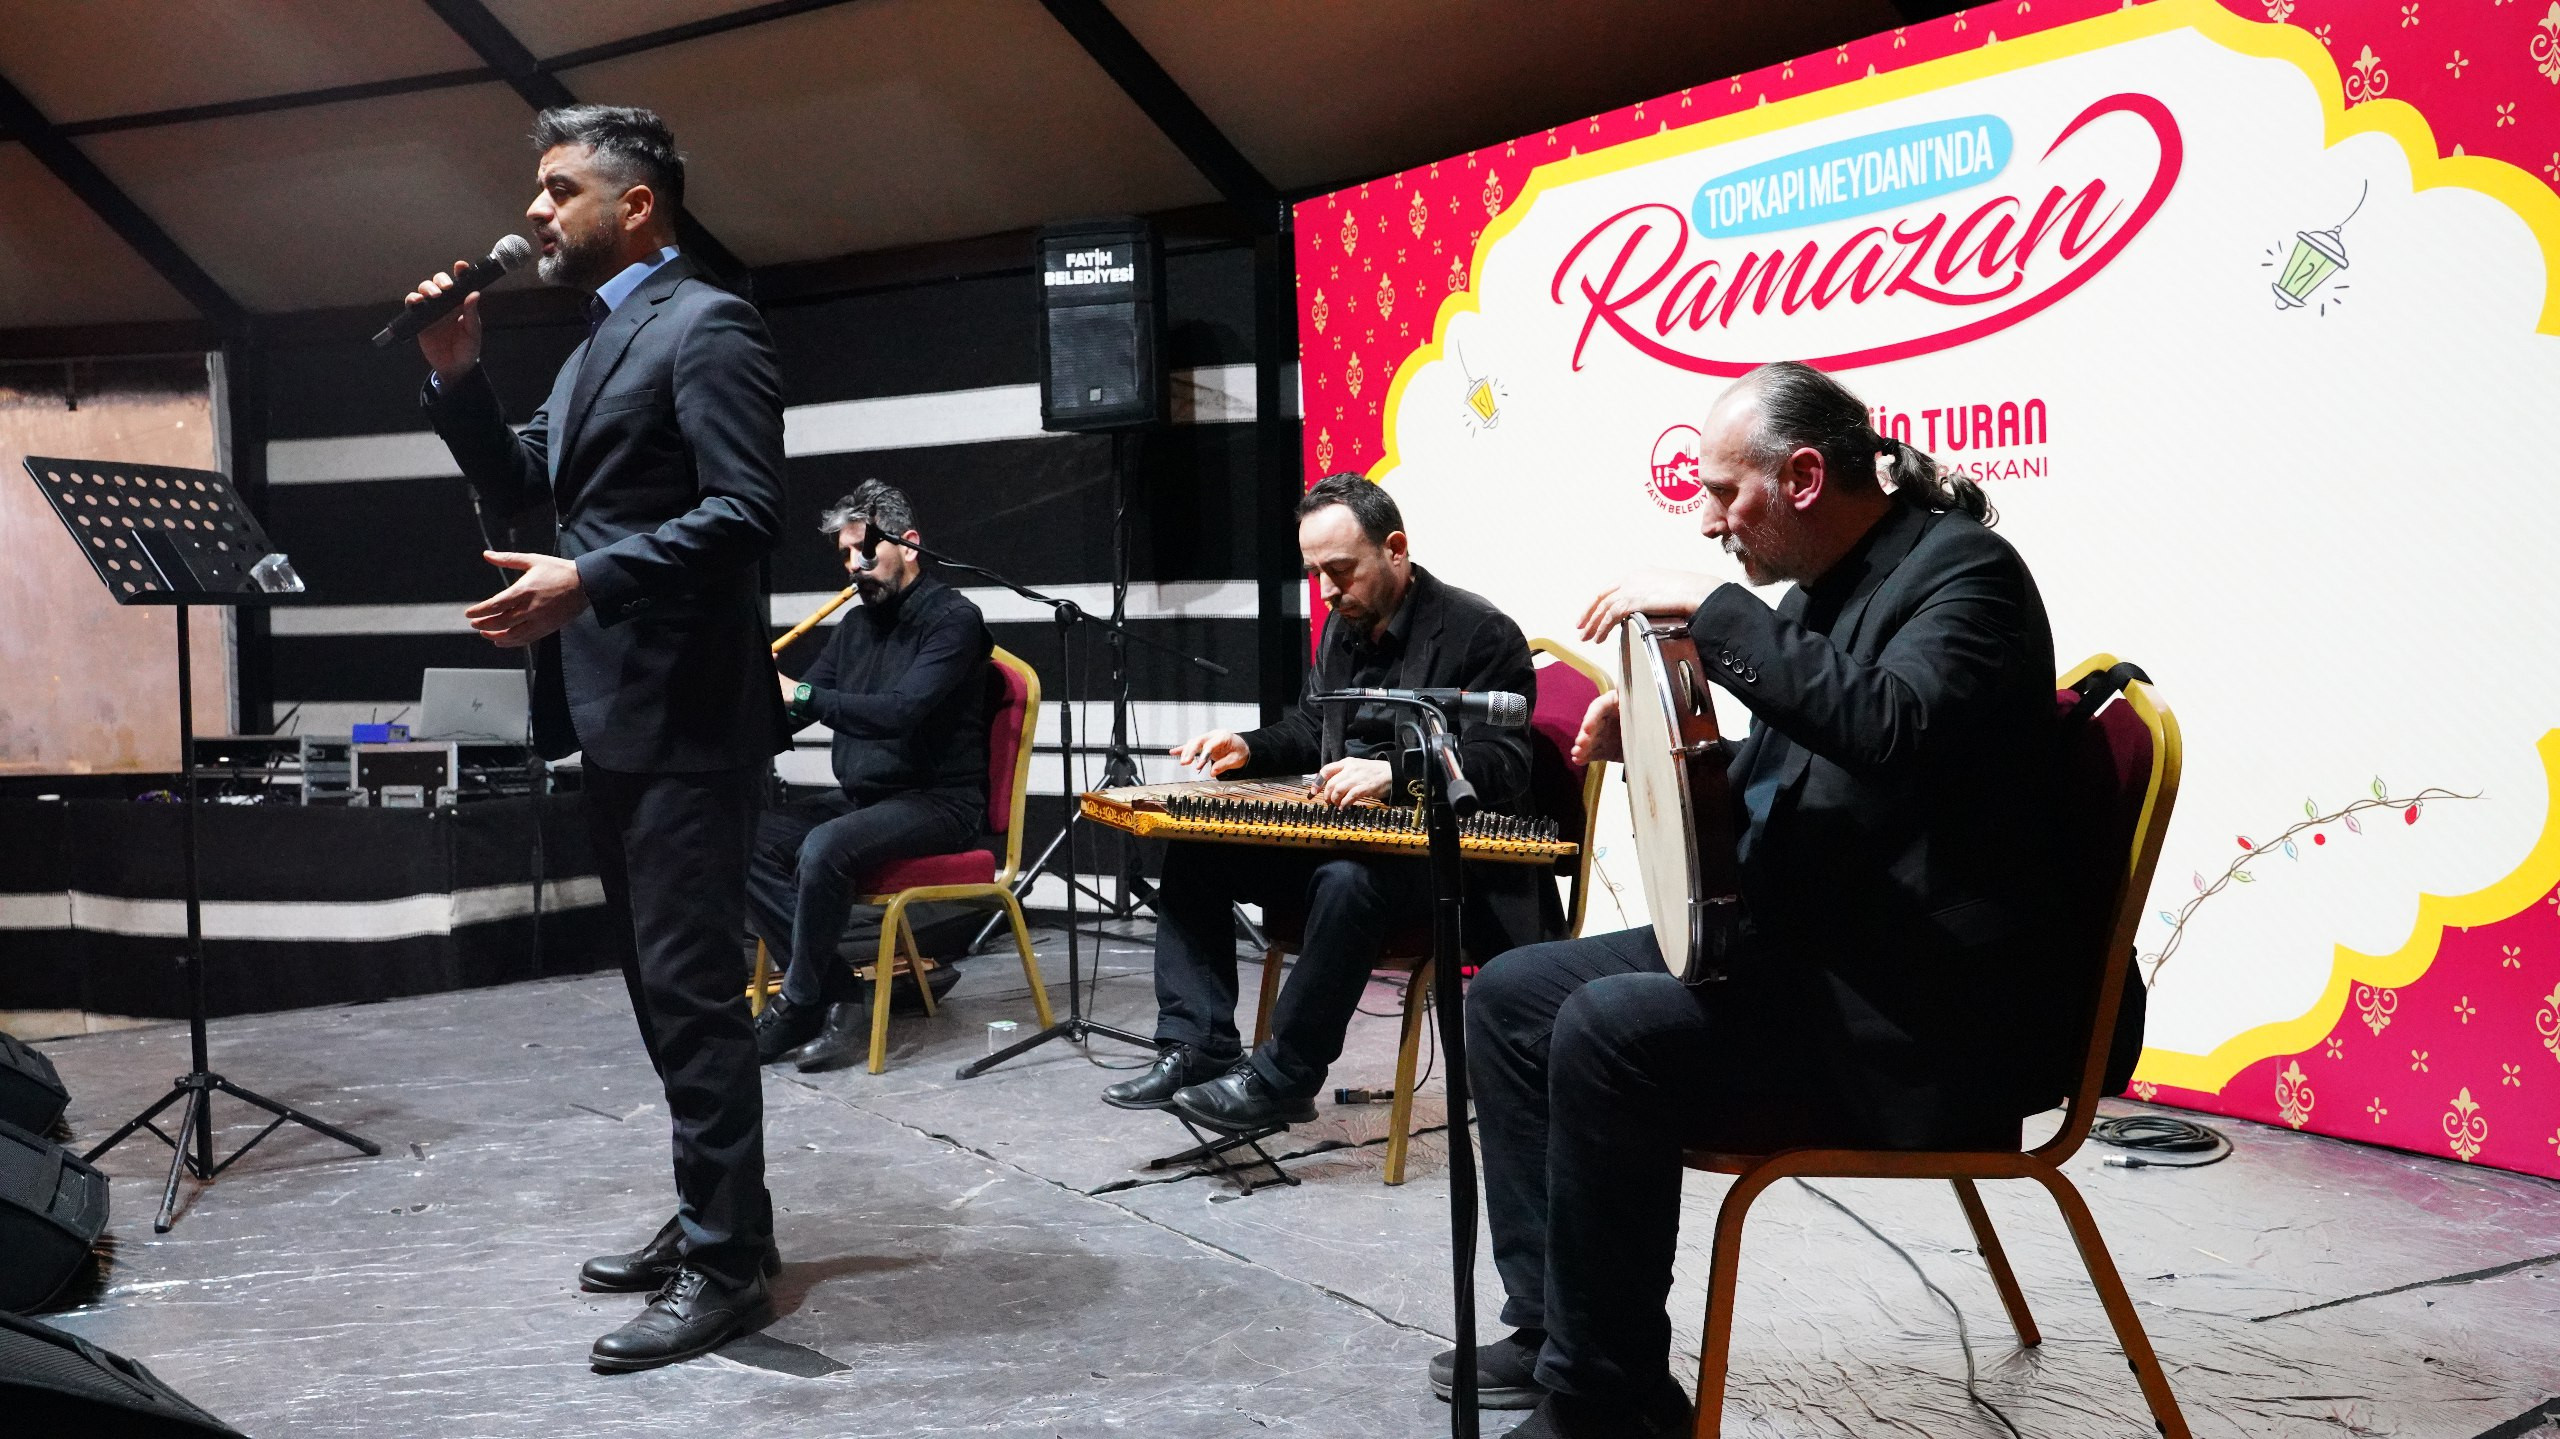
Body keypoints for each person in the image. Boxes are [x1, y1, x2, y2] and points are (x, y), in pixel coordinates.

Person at [1438, 361, 2063, 1438]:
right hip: (1813, 946)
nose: (1709, 520)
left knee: (1607, 1029)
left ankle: (1608, 1404)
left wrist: (1713, 612)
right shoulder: (1830, 586)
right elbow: (1816, 775)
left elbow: (1891, 729)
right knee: (1509, 994)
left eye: (1725, 493)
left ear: (1804, 477)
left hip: (1912, 1009)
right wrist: (1661, 750)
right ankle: (1557, 1328)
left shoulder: (1968, 574)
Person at [408, 105, 788, 1372]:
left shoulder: (707, 323)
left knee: (693, 995)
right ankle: (718, 1217)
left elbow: (747, 510)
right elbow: (524, 483)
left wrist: (590, 580)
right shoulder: (599, 342)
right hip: (621, 716)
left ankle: (726, 1267)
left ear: (636, 203)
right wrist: (457, 374)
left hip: (688, 718)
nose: (532, 210)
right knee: (660, 992)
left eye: (557, 187)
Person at [1103, 473, 1556, 1131]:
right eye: (1314, 573)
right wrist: (1248, 746)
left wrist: (1391, 774)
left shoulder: (1478, 632)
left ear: (1394, 549)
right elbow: (1315, 728)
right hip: (1344, 837)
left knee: (1347, 882)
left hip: (1440, 862)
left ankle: (1283, 1079)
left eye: (1340, 570)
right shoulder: (1344, 626)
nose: (1326, 591)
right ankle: (1196, 1047)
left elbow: (1503, 763)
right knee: (1197, 854)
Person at [746, 481, 992, 1072]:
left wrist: (803, 693)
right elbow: (802, 706)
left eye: (865, 550)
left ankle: (798, 1002)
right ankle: (836, 993)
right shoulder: (856, 626)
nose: (855, 566)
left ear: (909, 545)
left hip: (939, 803)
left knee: (825, 847)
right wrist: (753, 689)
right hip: (866, 800)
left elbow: (901, 712)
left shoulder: (955, 621)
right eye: (846, 555)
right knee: (742, 838)